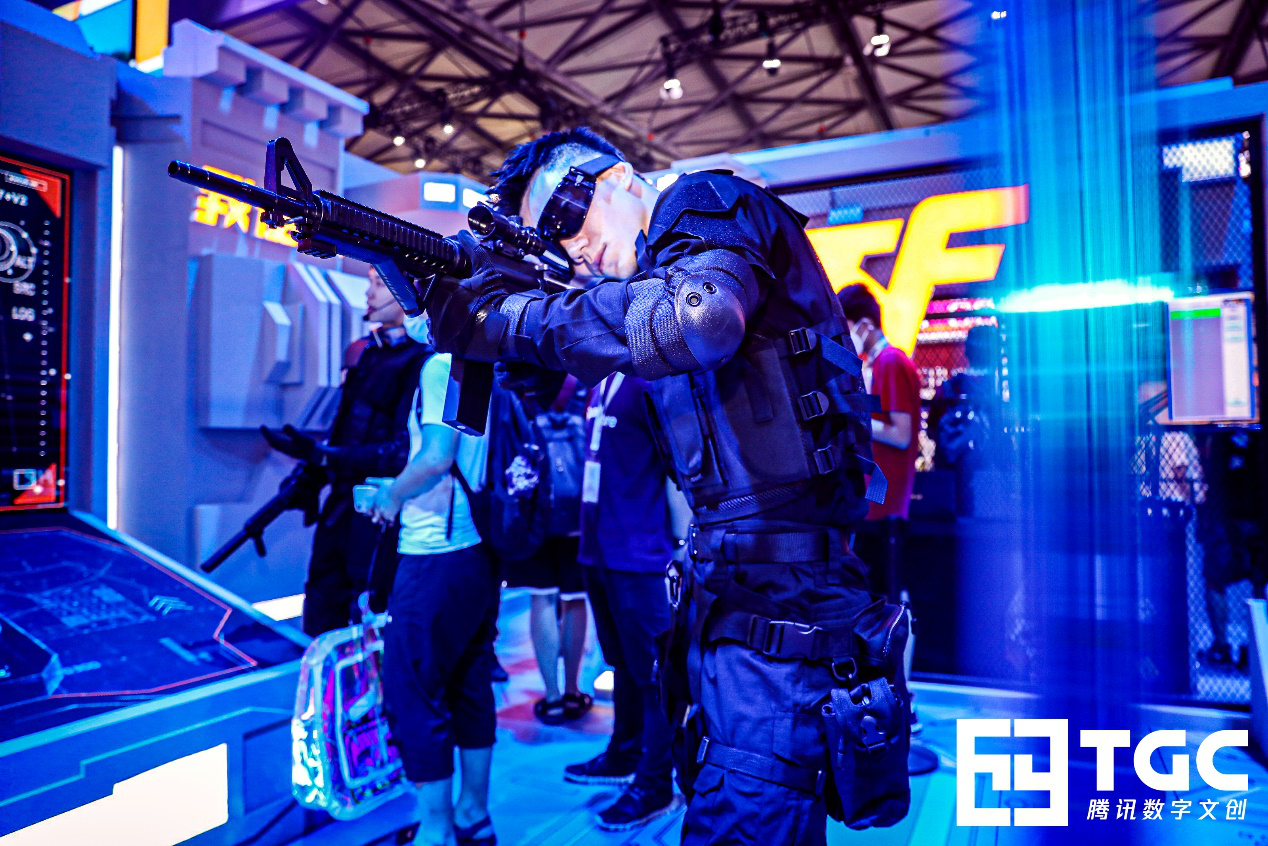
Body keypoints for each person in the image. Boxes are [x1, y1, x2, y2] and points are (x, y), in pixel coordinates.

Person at [422, 127, 896, 845]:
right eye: (550, 238)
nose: (572, 247)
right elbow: (552, 378)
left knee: (744, 821)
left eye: (567, 215)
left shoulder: (703, 202)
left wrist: (513, 319)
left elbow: (700, 319)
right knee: (730, 803)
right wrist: (479, 306)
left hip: (779, 597)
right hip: (735, 592)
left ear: (616, 178)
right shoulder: (648, 289)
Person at [369, 313, 497, 846]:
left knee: (414, 689)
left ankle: (436, 827)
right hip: (474, 552)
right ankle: (472, 815)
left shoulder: (440, 365)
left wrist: (390, 494)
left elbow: (437, 457)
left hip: (433, 553)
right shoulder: (477, 362)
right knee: (469, 682)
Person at [261, 266, 429, 635]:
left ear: (409, 293)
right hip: (342, 500)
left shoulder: (424, 361)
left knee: (367, 602)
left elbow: (402, 450)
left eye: (380, 284)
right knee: (322, 594)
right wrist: (312, 469)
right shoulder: (367, 353)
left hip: (382, 504)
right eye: (370, 283)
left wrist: (327, 456)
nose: (369, 294)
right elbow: (346, 425)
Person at [563, 370, 690, 830]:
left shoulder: (649, 381)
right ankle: (625, 752)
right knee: (622, 664)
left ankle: (656, 783)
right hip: (598, 548)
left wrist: (682, 548)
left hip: (639, 553)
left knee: (654, 676)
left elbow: (679, 469)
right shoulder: (600, 380)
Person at [500, 376, 592, 725]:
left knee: (543, 598)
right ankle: (572, 690)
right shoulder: (580, 374)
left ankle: (552, 697)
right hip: (579, 508)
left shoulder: (523, 376)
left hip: (536, 507)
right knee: (575, 599)